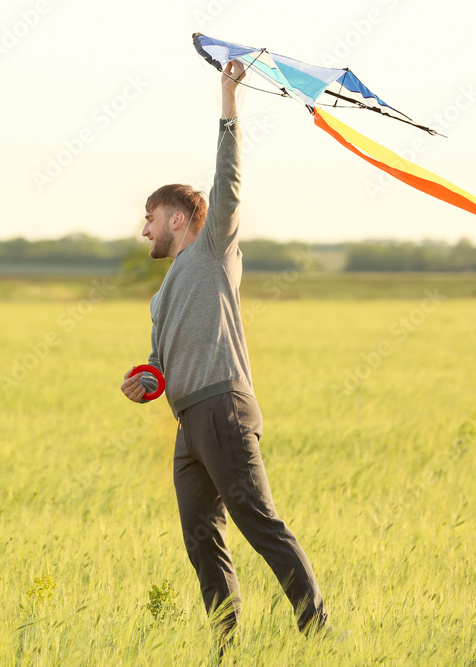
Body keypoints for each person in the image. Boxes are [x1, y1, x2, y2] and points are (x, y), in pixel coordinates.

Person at [120, 60, 328, 639]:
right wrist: (145, 381)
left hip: (224, 409)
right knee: (199, 535)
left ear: (180, 217)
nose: (143, 230)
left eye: (150, 217)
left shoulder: (213, 248)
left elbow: (228, 178)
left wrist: (228, 96)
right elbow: (162, 364)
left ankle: (318, 631)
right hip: (189, 421)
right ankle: (227, 643)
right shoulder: (165, 290)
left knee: (260, 524)